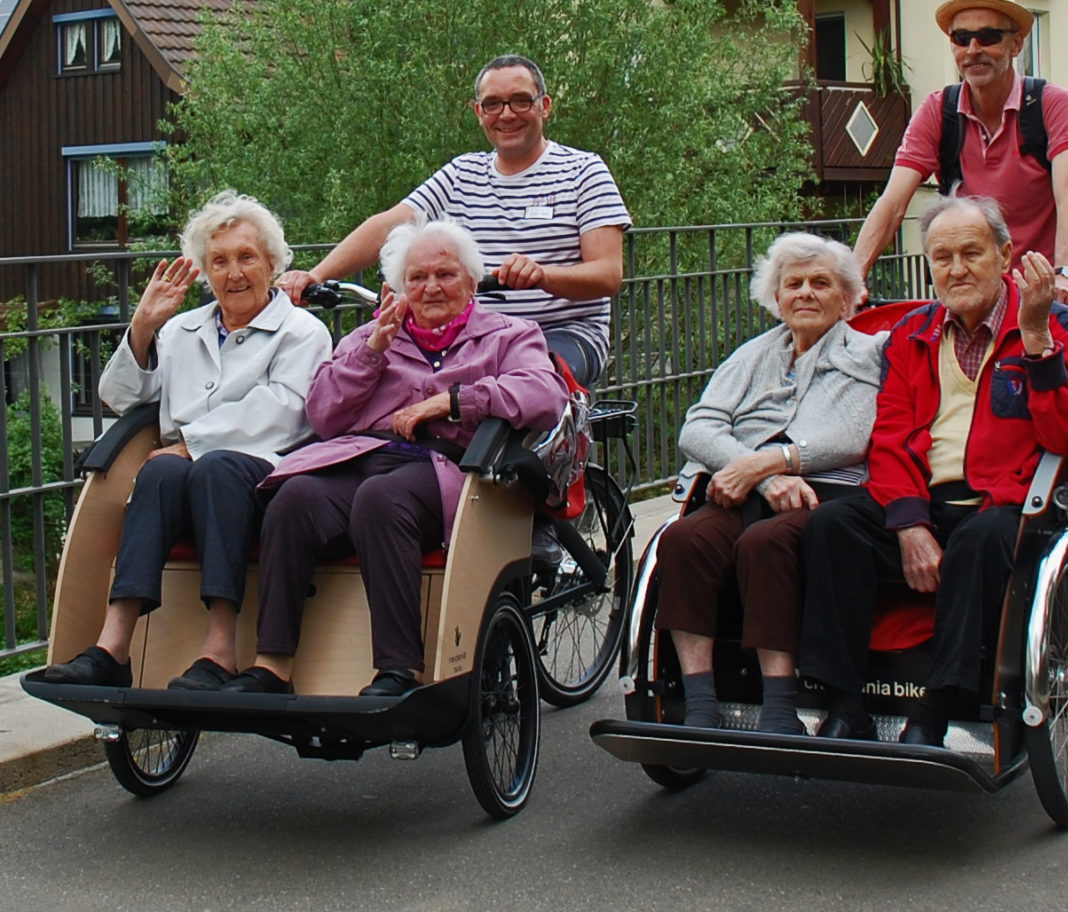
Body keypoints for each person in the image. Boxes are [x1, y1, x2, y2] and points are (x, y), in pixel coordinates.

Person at [800, 194, 1068, 746]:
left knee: (980, 542)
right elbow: (888, 439)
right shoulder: (912, 334)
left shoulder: (1053, 324)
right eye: (942, 257)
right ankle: (843, 705)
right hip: (923, 501)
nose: (956, 269)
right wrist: (911, 525)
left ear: (1005, 255)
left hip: (1006, 506)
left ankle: (937, 711)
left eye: (971, 253)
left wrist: (1036, 341)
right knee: (832, 526)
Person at [224, 217, 568, 697]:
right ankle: (272, 665)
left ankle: (398, 668)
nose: (431, 287)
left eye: (445, 275)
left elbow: (544, 394)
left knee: (381, 499)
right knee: (295, 497)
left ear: (470, 281)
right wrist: (371, 352)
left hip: (446, 468)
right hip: (363, 458)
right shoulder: (377, 334)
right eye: (417, 278)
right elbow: (323, 414)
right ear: (398, 287)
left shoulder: (509, 334)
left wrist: (454, 401)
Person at [43, 191, 332, 692]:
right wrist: (142, 327)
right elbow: (119, 396)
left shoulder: (302, 331)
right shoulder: (182, 329)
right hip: (181, 474)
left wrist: (192, 442)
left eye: (246, 257)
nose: (234, 273)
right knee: (157, 470)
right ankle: (112, 646)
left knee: (213, 466)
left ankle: (219, 650)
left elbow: (287, 412)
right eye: (218, 261)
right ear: (204, 270)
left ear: (272, 263)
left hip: (265, 476)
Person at [278, 55, 630, 388]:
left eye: (520, 101)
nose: (506, 114)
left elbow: (607, 275)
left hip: (561, 332)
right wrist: (317, 275)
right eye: (493, 104)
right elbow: (389, 224)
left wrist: (542, 275)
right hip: (471, 332)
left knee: (525, 385)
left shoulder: (584, 171)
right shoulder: (463, 172)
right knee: (381, 381)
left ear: (545, 106)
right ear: (479, 113)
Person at [655, 233, 888, 736]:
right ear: (776, 298)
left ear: (847, 298)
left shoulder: (869, 353)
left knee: (766, 544)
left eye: (820, 283)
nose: (805, 293)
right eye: (793, 284)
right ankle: (699, 703)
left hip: (825, 493)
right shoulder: (753, 355)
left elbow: (856, 432)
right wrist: (758, 477)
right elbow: (698, 427)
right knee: (683, 540)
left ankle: (780, 707)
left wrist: (771, 465)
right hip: (747, 490)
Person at [853, 0, 1068, 306]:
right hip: (973, 299)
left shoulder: (1051, 104)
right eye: (961, 38)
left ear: (1016, 44)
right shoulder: (939, 110)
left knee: (1060, 357)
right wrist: (851, 277)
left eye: (988, 36)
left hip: (1043, 296)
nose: (973, 49)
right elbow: (893, 202)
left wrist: (1067, 273)